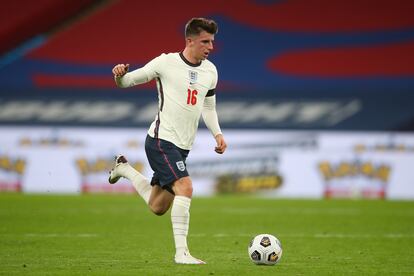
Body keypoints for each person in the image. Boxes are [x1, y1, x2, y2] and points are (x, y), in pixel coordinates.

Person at [109, 17, 227, 265]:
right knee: (185, 187)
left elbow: (208, 106)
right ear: (190, 41)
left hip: (183, 147)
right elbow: (128, 81)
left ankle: (125, 169)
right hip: (161, 141)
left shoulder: (210, 71)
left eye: (212, 42)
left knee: (158, 206)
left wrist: (217, 133)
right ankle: (181, 253)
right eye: (205, 41)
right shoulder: (166, 63)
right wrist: (120, 75)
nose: (210, 47)